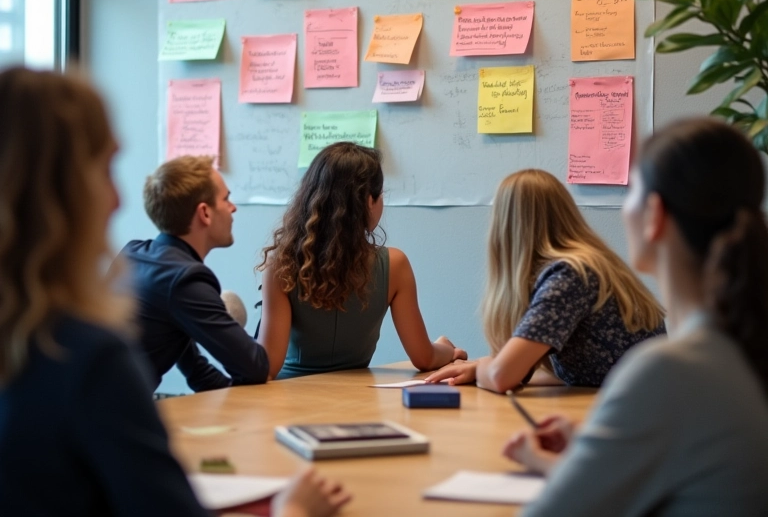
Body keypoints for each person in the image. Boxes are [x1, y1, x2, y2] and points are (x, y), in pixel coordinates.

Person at [0, 67, 350, 517]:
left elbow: (185, 350)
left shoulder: (134, 257)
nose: (118, 200)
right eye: (105, 168)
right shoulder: (93, 358)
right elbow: (254, 364)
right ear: (65, 191)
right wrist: (295, 510)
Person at [504, 118, 768, 516]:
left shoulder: (671, 370)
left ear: (654, 215)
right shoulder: (739, 349)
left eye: (631, 190)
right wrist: (599, 446)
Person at [427, 169, 665, 392]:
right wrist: (484, 368)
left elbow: (502, 377)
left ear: (506, 228)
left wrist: (485, 369)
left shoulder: (569, 275)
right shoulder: (587, 264)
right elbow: (568, 375)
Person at [257, 141, 466, 379]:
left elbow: (269, 365)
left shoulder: (281, 265)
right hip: (358, 401)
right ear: (369, 200)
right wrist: (447, 350)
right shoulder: (395, 265)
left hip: (291, 398)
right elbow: (425, 358)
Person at [122, 156, 269, 392]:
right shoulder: (185, 280)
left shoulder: (133, 254)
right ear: (205, 213)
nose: (233, 208)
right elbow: (255, 367)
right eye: (226, 199)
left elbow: (198, 373)